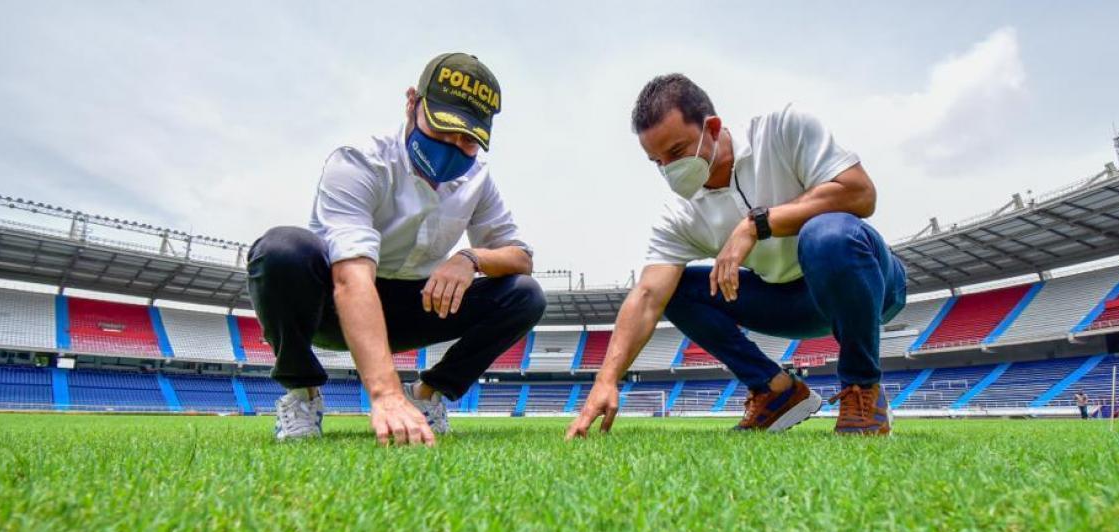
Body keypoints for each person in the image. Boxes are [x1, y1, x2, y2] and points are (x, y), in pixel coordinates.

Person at [568, 73, 905, 439]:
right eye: (657, 162)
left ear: (712, 128)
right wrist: (605, 380)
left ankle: (862, 390)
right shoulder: (680, 215)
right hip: (790, 302)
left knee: (826, 235)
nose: (669, 169)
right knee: (673, 290)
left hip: (869, 283)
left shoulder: (782, 130)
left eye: (677, 152)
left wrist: (756, 225)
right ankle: (774, 390)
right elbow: (647, 297)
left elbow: (859, 194)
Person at [248, 52, 545, 444]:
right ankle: (302, 393)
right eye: (443, 130)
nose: (454, 148)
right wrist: (385, 393)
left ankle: (427, 394)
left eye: (469, 140)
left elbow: (521, 258)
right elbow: (351, 278)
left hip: (418, 304)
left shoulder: (479, 180)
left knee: (525, 295)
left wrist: (469, 258)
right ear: (412, 104)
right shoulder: (360, 161)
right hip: (336, 304)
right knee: (281, 250)